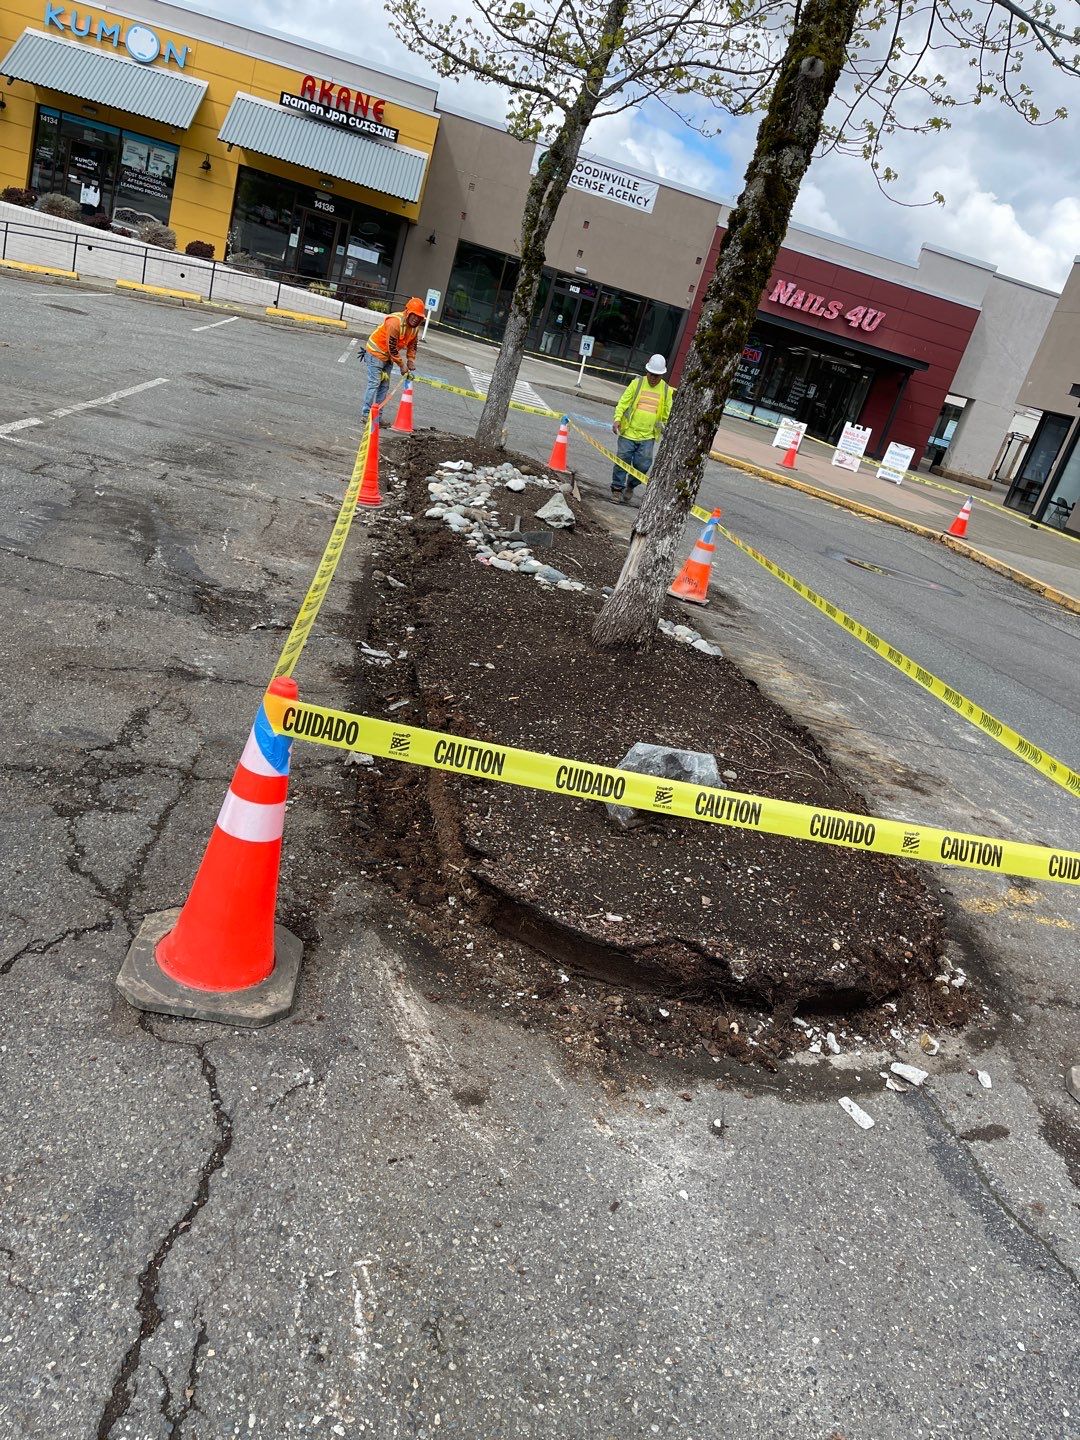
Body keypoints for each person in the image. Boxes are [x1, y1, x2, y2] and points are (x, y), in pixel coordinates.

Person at [610, 353, 675, 503]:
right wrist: (617, 419)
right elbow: (623, 402)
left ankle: (631, 485)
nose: (653, 378)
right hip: (629, 432)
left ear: (662, 375)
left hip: (648, 436)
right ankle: (617, 489)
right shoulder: (637, 383)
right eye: (651, 374)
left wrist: (665, 428)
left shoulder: (666, 390)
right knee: (622, 459)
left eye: (657, 376)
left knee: (643, 464)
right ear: (647, 371)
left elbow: (667, 413)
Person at [361, 297, 426, 424]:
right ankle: (365, 414)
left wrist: (411, 360)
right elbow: (391, 347)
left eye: (418, 317)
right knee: (374, 383)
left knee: (384, 387)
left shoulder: (414, 328)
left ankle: (377, 418)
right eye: (414, 315)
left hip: (388, 357)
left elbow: (413, 344)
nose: (415, 319)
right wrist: (402, 365)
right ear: (407, 312)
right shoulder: (394, 323)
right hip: (376, 353)